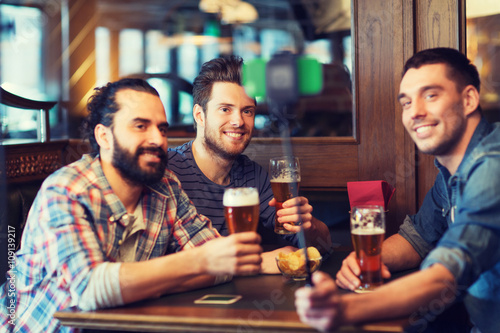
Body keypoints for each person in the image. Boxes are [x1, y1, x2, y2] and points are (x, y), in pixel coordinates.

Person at [0, 78, 263, 332]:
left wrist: (142, 284)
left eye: (162, 129)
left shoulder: (166, 186)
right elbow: (89, 289)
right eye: (140, 126)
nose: (157, 140)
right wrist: (197, 262)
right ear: (104, 136)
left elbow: (222, 266)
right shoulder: (67, 190)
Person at [295, 47, 500, 333]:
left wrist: (346, 310)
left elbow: (448, 273)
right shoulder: (452, 171)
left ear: (468, 100)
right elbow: (418, 237)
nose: (415, 112)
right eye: (406, 102)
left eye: (431, 95)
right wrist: (368, 259)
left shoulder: (491, 166)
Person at [167, 56, 332, 270]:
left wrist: (308, 226)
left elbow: (323, 247)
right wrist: (261, 262)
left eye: (247, 111)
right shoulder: (168, 169)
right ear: (199, 115)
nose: (238, 121)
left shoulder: (252, 176)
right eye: (225, 109)